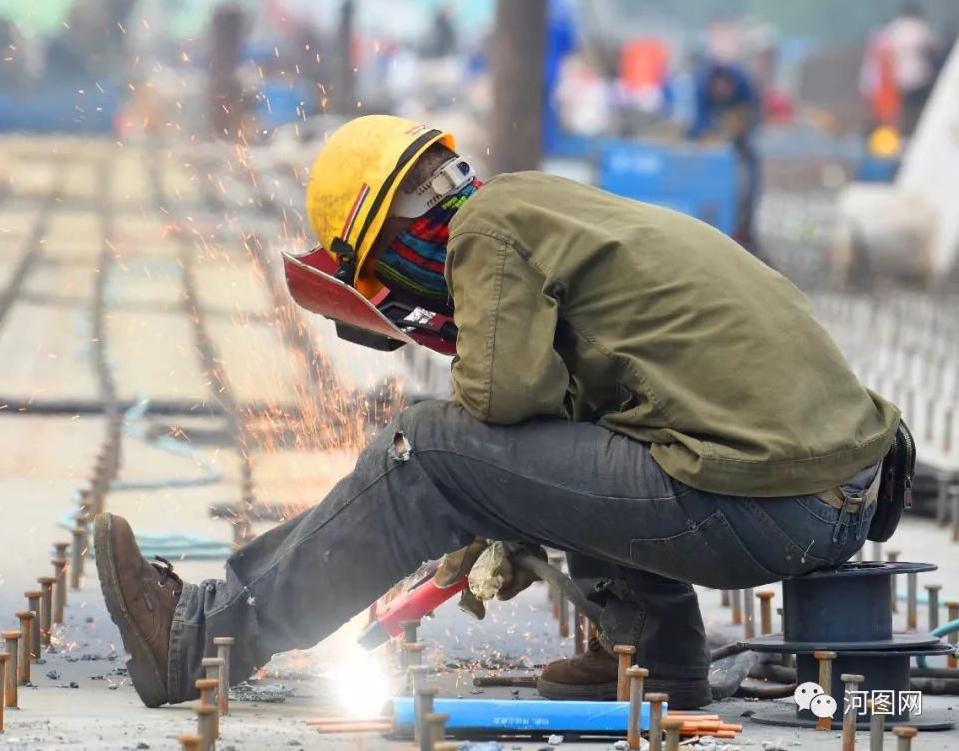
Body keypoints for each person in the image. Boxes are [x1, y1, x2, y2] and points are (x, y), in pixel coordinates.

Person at [95, 115, 900, 710]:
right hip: (837, 500)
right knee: (589, 432)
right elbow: (570, 407)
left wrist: (487, 501)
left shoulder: (487, 231)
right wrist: (515, 508)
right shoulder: (544, 206)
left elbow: (499, 404)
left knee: (424, 451)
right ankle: (657, 659)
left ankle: (198, 637)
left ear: (388, 245)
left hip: (760, 507)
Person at [687, 60, 762, 252]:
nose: (722, 92)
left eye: (725, 89)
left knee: (749, 174)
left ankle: (744, 228)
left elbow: (752, 116)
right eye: (718, 89)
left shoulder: (744, 85)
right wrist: (706, 135)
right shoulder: (702, 87)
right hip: (713, 139)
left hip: (738, 140)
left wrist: (740, 129)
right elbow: (699, 122)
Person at [885, 1, 938, 138]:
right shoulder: (919, 27)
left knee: (907, 110)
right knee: (923, 109)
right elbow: (930, 48)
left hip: (901, 78)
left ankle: (908, 135)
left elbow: (888, 54)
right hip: (921, 76)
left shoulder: (895, 29)